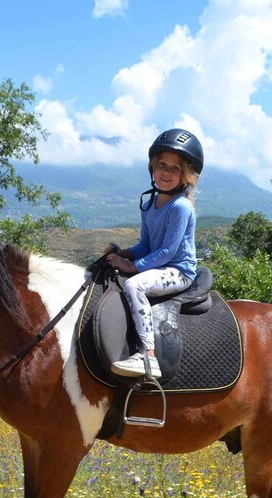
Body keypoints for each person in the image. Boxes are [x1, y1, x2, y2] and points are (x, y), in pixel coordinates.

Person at [105, 128, 202, 378]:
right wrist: (123, 253)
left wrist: (132, 268)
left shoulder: (180, 207)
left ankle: (147, 357)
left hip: (178, 271)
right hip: (161, 265)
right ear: (152, 167)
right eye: (162, 165)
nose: (166, 173)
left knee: (134, 286)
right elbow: (146, 246)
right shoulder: (149, 204)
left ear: (186, 175)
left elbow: (168, 251)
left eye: (175, 168)